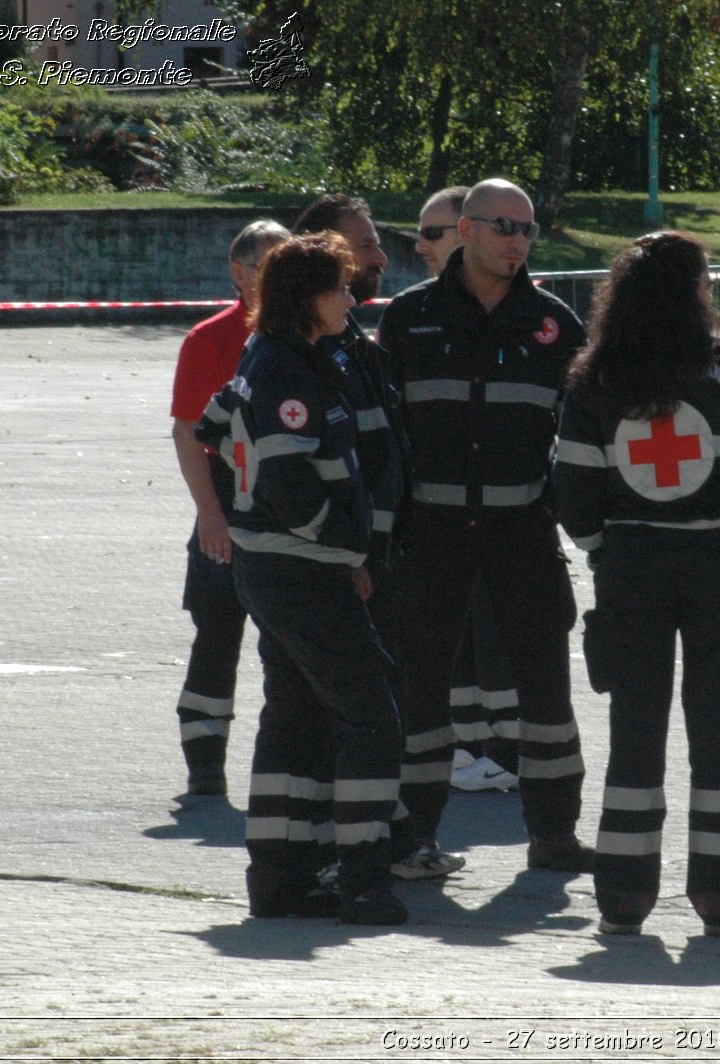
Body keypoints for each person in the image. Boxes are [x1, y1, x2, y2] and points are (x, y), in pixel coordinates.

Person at [554, 231, 720, 936]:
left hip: (632, 569)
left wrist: (603, 547)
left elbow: (572, 489)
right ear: (693, 290)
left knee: (634, 733)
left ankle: (624, 897)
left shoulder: (595, 373)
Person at [377, 178, 592, 872]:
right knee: (423, 691)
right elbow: (384, 433)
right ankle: (416, 837)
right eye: (502, 225)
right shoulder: (409, 318)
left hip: (521, 533)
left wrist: (566, 508)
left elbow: (585, 435)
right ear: (464, 231)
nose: (516, 240)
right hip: (431, 535)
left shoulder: (555, 322)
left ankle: (555, 836)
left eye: (527, 229)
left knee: (546, 691)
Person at [194, 232, 407, 926]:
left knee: (293, 715)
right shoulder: (289, 369)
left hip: (275, 568)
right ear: (307, 298)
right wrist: (348, 548)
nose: (351, 298)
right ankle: (365, 880)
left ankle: (280, 878)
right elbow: (290, 483)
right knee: (372, 719)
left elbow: (215, 422)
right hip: (302, 571)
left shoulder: (277, 358)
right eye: (340, 288)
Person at [292, 195, 466, 880]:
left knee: (380, 704)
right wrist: (354, 556)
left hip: (379, 558)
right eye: (363, 246)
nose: (380, 257)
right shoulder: (308, 356)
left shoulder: (354, 345)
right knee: (341, 711)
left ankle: (387, 841)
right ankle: (341, 853)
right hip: (343, 566)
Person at [168, 218, 290, 797]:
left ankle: (289, 768)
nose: (278, 276)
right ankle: (205, 770)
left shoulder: (317, 336)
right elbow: (189, 435)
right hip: (227, 514)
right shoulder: (210, 340)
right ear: (238, 275)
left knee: (289, 647)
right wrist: (211, 517)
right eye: (267, 265)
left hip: (291, 517)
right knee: (217, 639)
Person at [416, 185, 527, 792]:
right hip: (436, 528)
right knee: (453, 647)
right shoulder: (410, 320)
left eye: (432, 233)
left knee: (499, 644)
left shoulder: (538, 321)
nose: (421, 245)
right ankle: (465, 748)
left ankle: (508, 754)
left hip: (510, 526)